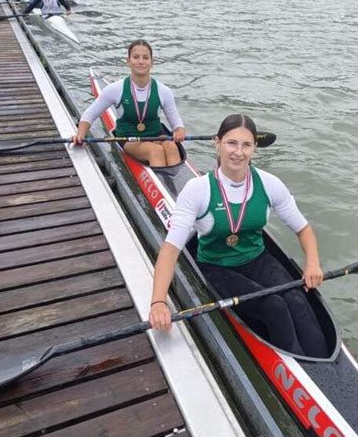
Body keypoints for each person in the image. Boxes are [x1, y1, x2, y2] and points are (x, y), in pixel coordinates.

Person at [149, 113, 329, 358]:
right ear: (217, 142)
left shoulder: (269, 184)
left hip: (257, 259)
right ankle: (296, 366)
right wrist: (159, 301)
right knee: (274, 307)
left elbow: (303, 229)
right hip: (216, 266)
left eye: (246, 145)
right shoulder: (197, 190)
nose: (239, 152)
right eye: (231, 143)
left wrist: (312, 263)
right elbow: (170, 251)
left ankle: (322, 362)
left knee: (297, 300)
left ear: (255, 147)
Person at [73, 39, 185, 167]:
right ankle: (161, 181)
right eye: (136, 57)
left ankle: (174, 180)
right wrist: (80, 135)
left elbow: (177, 124)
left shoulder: (164, 91)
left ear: (152, 62)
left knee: (172, 147)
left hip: (156, 135)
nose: (141, 61)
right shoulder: (115, 89)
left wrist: (179, 131)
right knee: (155, 151)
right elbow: (89, 115)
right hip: (129, 138)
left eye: (145, 58)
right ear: (128, 61)